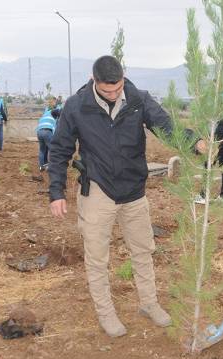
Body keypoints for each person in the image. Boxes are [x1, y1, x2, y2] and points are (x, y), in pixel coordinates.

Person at [48, 55, 202, 337]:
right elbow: (59, 150)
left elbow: (166, 127)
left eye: (117, 88)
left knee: (143, 250)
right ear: (94, 82)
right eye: (107, 90)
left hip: (133, 190)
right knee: (97, 257)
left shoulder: (137, 99)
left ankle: (149, 303)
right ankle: (106, 314)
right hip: (97, 189)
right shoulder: (77, 106)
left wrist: (196, 143)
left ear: (123, 78)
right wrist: (56, 192)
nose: (113, 94)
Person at [194, 91, 223, 204]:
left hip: (222, 137)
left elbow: (222, 121)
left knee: (208, 164)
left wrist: (214, 142)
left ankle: (203, 195)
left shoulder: (222, 98)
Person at [36, 97, 59, 171]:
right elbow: (55, 125)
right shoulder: (55, 112)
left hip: (39, 131)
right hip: (47, 131)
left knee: (42, 149)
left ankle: (41, 166)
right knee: (52, 149)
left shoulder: (46, 111)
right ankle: (53, 166)